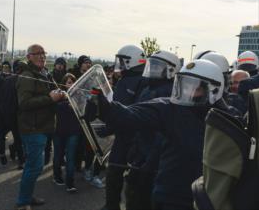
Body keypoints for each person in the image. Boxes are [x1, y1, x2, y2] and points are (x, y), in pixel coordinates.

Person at [90, 59, 227, 210]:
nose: (188, 92)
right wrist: (105, 108)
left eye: (196, 88)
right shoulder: (170, 108)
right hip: (170, 195)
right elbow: (132, 114)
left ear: (214, 90)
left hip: (205, 199)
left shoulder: (228, 119)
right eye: (185, 85)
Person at [124, 50, 180, 210]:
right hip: (141, 151)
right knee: (132, 194)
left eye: (158, 67)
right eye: (152, 66)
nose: (153, 70)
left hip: (154, 158)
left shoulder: (170, 93)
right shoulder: (147, 89)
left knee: (144, 199)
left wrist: (150, 161)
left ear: (171, 70)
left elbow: (163, 133)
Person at [16, 44, 64, 210]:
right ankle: (23, 202)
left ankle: (27, 196)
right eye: (37, 54)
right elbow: (24, 103)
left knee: (36, 165)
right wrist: (50, 99)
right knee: (34, 167)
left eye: (43, 53)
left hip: (44, 126)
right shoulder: (27, 75)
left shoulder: (44, 73)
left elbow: (52, 93)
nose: (42, 56)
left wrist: (61, 94)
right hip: (32, 128)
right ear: (28, 57)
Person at [103, 45, 147, 210]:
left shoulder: (142, 82)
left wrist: (109, 127)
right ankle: (111, 205)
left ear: (132, 61)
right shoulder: (124, 80)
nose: (119, 64)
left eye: (123, 61)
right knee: (113, 172)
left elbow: (132, 111)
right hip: (123, 135)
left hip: (134, 137)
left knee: (130, 177)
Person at [53, 73, 82, 193]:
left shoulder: (79, 95)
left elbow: (84, 110)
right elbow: (53, 108)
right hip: (58, 131)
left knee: (70, 157)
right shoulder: (58, 94)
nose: (70, 84)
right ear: (64, 83)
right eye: (68, 82)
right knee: (58, 155)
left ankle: (70, 182)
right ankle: (57, 176)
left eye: (72, 81)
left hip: (73, 131)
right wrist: (65, 102)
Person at [0, 59, 26, 170]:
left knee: (19, 138)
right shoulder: (20, 81)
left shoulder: (7, 80)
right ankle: (21, 160)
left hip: (12, 114)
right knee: (21, 138)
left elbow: (2, 99)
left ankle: (16, 151)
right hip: (19, 114)